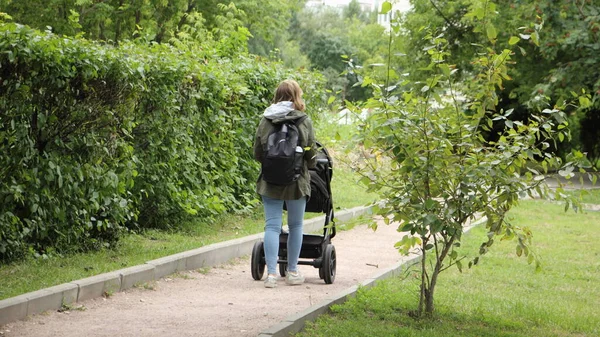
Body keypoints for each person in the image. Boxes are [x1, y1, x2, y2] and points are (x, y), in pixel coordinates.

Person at [253, 79, 317, 288]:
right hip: (297, 181)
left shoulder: (266, 119)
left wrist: (273, 163)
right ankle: (292, 271)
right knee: (296, 225)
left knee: (272, 226)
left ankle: (271, 275)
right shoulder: (303, 120)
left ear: (277, 95)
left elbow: (257, 152)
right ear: (296, 96)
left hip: (270, 181)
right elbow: (311, 153)